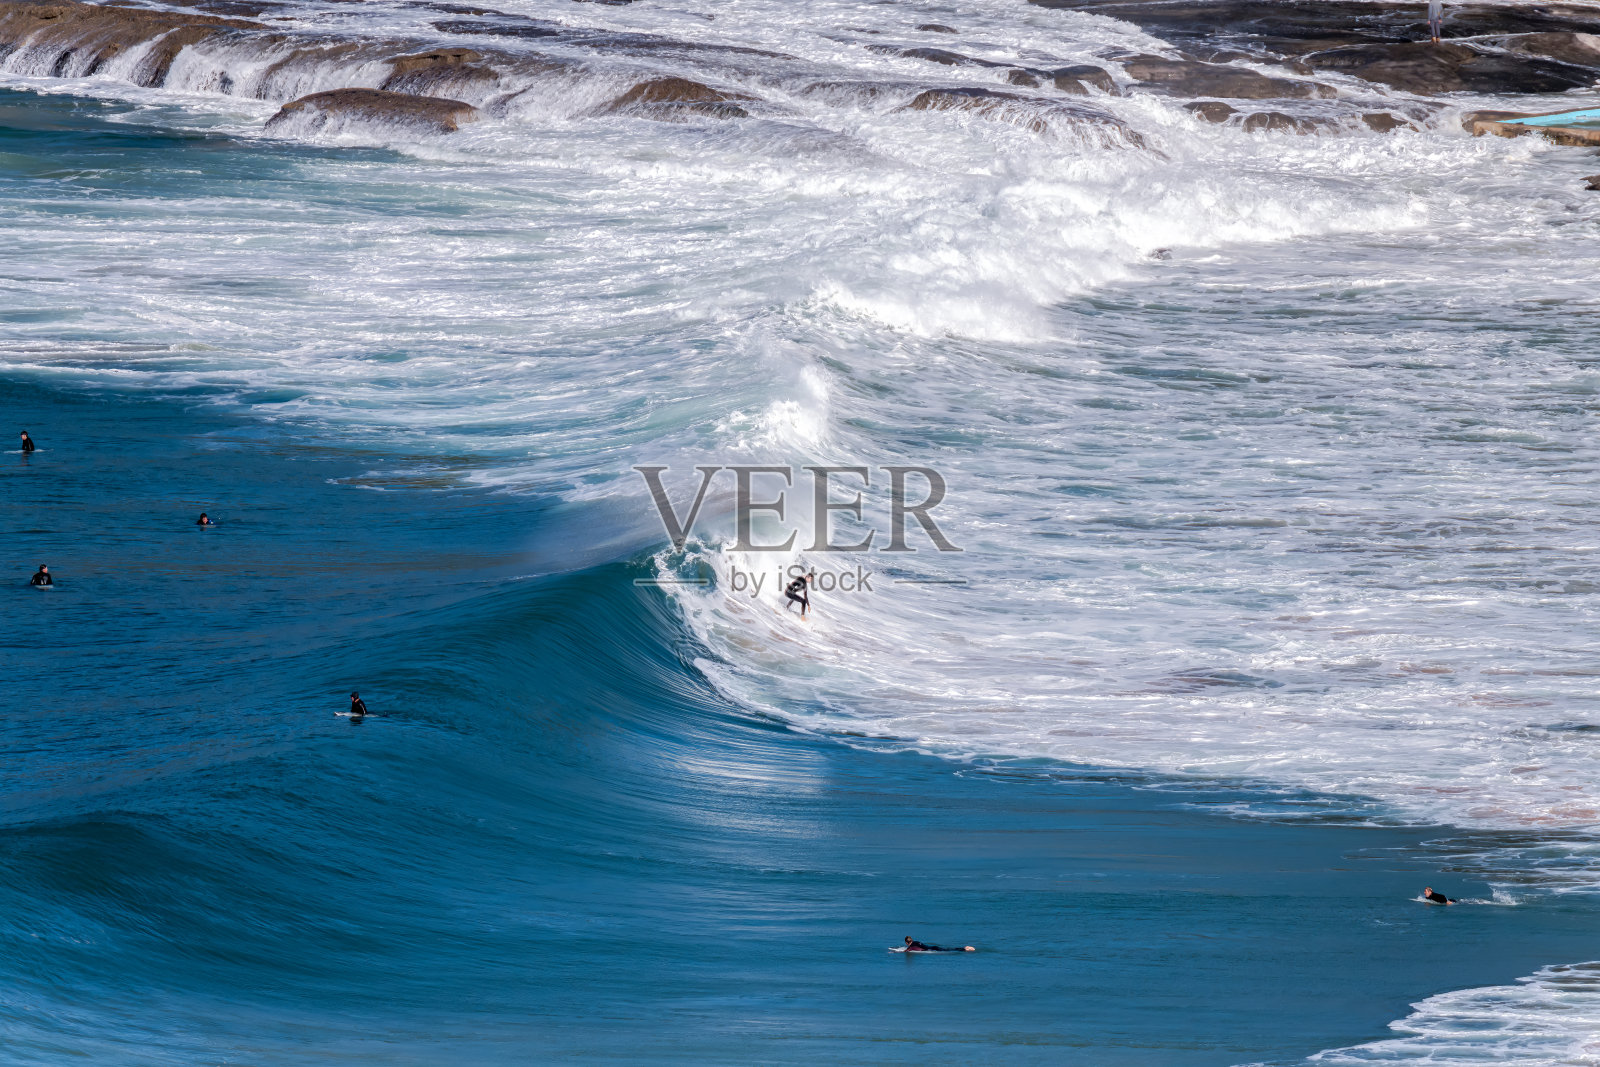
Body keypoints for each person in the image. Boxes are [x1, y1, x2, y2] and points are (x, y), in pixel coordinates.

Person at [904, 936, 975, 953]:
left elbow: (907, 950)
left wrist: (894, 952)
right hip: (933, 947)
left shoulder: (912, 945)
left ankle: (964, 949)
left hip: (932, 949)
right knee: (948, 949)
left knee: (948, 950)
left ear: (907, 942)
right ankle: (964, 948)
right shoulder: (916, 942)